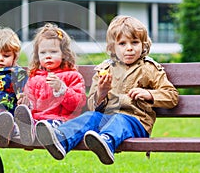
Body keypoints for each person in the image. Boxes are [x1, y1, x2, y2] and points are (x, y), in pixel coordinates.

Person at [35, 15, 179, 164]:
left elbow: (172, 96)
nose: (129, 48)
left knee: (119, 119)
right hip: (107, 117)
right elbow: (90, 105)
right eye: (122, 43)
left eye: (134, 42)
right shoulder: (105, 69)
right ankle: (62, 140)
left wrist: (149, 94)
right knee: (90, 116)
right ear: (113, 48)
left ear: (143, 44)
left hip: (136, 121)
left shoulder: (149, 68)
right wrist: (101, 93)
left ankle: (106, 142)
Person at [0, 23, 86, 146]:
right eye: (43, 53)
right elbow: (32, 107)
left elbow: (77, 104)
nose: (48, 56)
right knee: (25, 123)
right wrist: (25, 103)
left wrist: (61, 89)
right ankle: (8, 132)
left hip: (61, 121)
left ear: (64, 54)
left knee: (46, 126)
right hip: (36, 119)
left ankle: (34, 131)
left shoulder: (72, 76)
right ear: (38, 56)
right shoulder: (34, 78)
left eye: (53, 52)